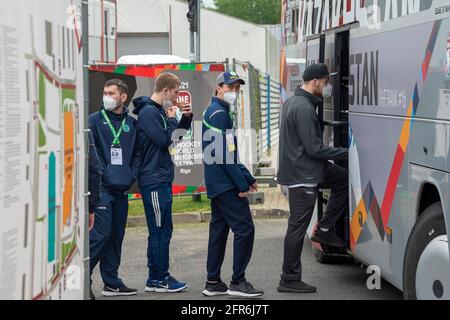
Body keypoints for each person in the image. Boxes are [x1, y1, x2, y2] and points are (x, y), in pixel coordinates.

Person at [277, 63, 349, 293]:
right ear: (316, 81)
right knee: (297, 227)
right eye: (326, 82)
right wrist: (346, 152)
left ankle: (325, 229)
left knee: (342, 179)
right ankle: (289, 279)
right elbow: (314, 149)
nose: (327, 87)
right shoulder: (304, 108)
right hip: (304, 174)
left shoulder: (293, 102)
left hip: (304, 168)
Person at [201, 71, 263, 298]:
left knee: (219, 231)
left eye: (237, 88)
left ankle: (213, 281)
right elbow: (225, 156)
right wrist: (241, 185)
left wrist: (247, 176)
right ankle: (238, 281)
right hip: (225, 184)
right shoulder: (219, 114)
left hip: (219, 183)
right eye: (230, 87)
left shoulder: (216, 110)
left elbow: (229, 151)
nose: (234, 92)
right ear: (219, 88)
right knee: (245, 229)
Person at [132, 72, 193, 293]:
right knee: (159, 230)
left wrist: (184, 120)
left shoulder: (156, 111)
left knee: (163, 229)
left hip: (161, 178)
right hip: (154, 180)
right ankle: (160, 278)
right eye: (176, 92)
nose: (178, 97)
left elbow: (173, 139)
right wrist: (170, 118)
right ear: (165, 90)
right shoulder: (149, 112)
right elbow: (164, 141)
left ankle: (155, 277)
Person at [89, 79, 140, 297]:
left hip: (122, 189)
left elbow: (137, 153)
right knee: (100, 234)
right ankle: (82, 279)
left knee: (116, 236)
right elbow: (93, 155)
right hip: (102, 189)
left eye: (111, 93)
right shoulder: (94, 120)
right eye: (104, 92)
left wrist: (131, 174)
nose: (106, 97)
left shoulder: (132, 123)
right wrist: (105, 174)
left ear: (123, 97)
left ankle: (111, 281)